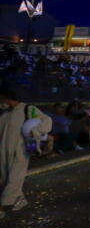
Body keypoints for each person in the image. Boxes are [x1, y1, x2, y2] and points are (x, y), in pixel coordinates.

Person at [0, 87, 52, 219]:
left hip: (21, 149)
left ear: (6, 97)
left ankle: (2, 206)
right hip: (3, 150)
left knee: (14, 178)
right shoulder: (5, 113)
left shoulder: (28, 109)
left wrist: (35, 131)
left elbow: (47, 120)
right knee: (6, 177)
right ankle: (20, 200)